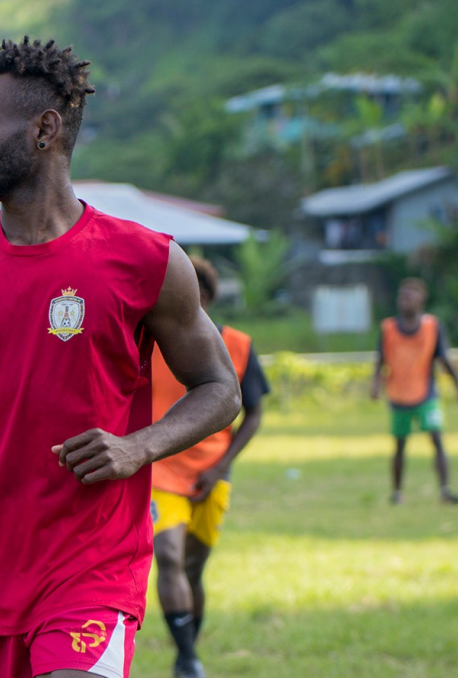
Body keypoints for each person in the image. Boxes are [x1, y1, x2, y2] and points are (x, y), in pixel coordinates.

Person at [0, 37, 242, 678]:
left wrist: (139, 447)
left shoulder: (147, 260)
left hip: (90, 569)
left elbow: (220, 388)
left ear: (44, 130)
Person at [149, 257, 270, 678]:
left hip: (210, 473)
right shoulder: (150, 339)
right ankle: (188, 660)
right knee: (168, 556)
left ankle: (189, 649)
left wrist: (222, 466)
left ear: (203, 295)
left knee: (193, 568)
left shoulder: (237, 345)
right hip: (160, 469)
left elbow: (253, 413)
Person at [370, 278, 458, 505]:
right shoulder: (389, 328)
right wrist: (375, 384)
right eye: (402, 295)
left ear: (421, 299)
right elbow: (380, 359)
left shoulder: (432, 326)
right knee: (400, 445)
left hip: (426, 393)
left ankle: (445, 490)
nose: (404, 300)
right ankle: (397, 492)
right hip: (398, 394)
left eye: (409, 296)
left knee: (436, 439)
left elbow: (445, 359)